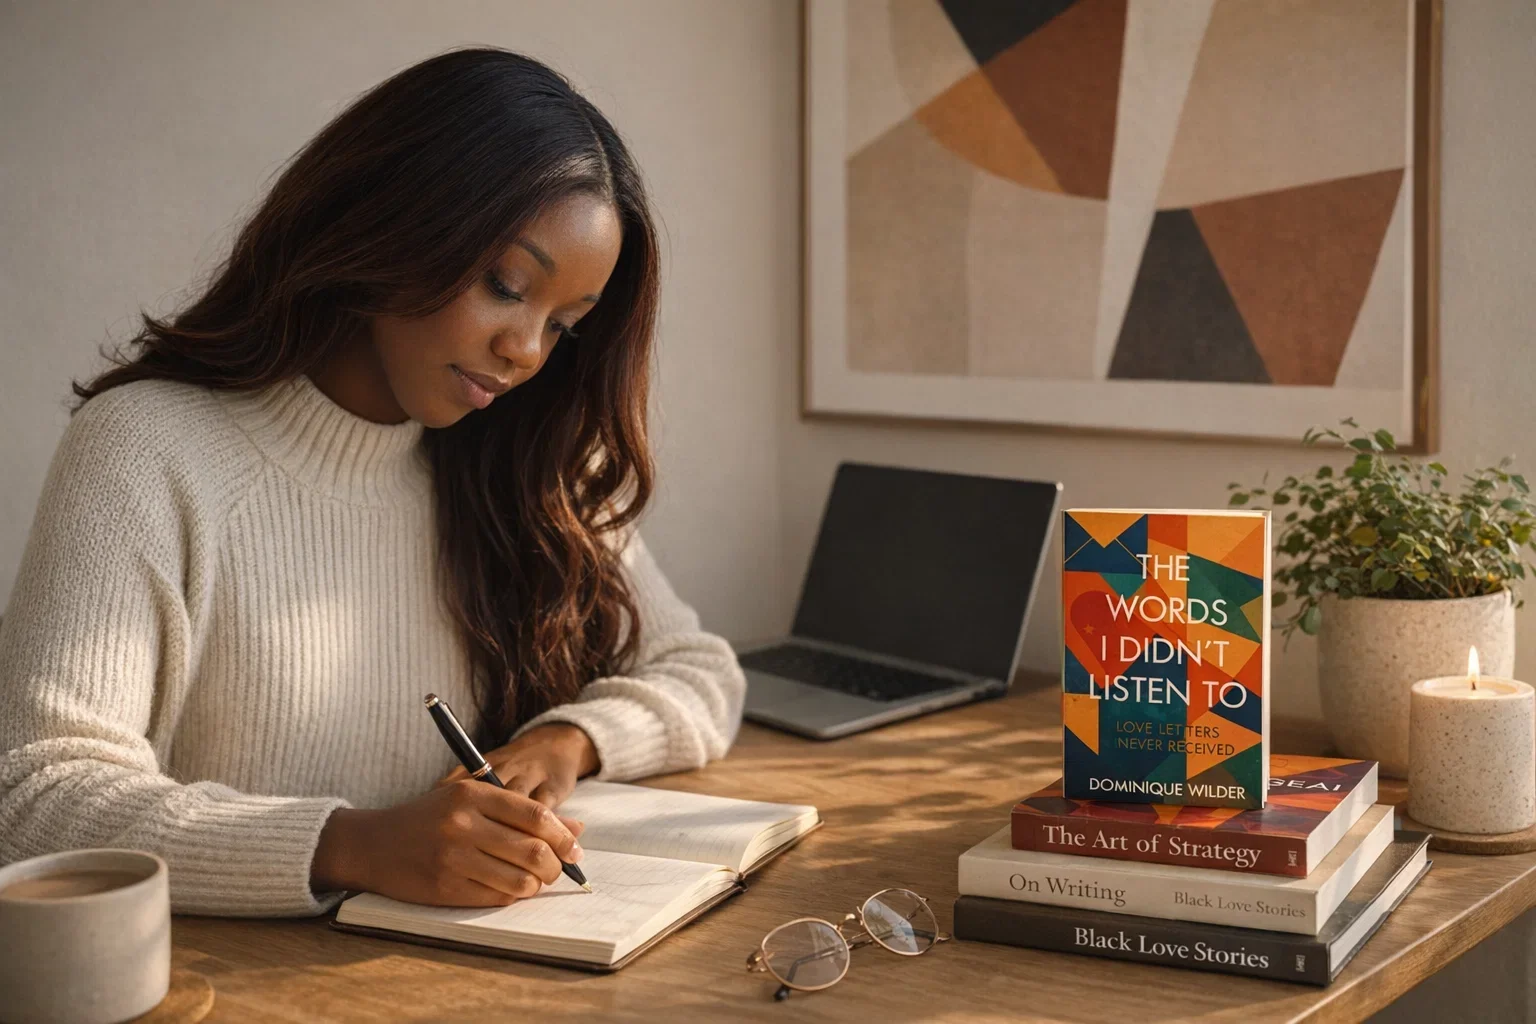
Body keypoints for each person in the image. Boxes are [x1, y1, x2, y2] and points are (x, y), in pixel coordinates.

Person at [0, 47, 745, 917]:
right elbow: (32, 797)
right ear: (390, 223)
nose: (527, 351)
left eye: (564, 326)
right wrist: (351, 846)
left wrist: (570, 739)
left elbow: (701, 670)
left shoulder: (526, 457)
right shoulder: (149, 453)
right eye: (507, 285)